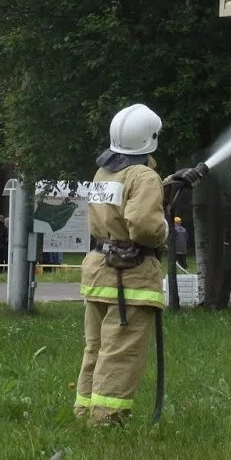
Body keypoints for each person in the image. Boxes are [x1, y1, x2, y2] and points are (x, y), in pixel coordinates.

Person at [75, 103, 169, 427]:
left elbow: (122, 206)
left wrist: (166, 187)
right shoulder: (144, 176)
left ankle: (85, 412)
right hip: (128, 280)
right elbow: (144, 225)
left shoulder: (104, 172)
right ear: (150, 138)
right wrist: (164, 229)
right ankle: (107, 421)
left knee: (96, 348)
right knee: (120, 353)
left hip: (100, 270)